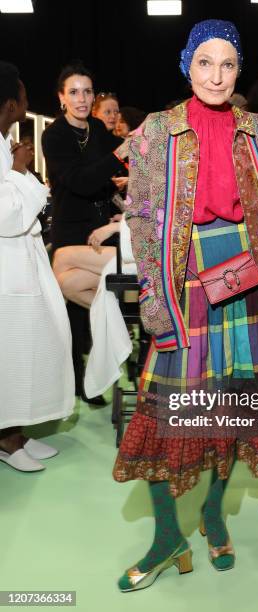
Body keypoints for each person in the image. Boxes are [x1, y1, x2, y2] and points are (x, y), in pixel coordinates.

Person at [112, 19, 258, 592]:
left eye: (227, 64)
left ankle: (214, 513)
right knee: (163, 416)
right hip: (183, 285)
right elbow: (144, 222)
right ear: (186, 65)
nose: (216, 76)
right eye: (205, 63)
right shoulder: (155, 132)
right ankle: (166, 536)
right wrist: (156, 303)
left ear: (239, 69)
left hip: (246, 279)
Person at [0, 62, 75, 472]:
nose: (28, 104)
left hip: (21, 262)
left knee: (27, 348)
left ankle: (16, 432)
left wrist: (17, 171)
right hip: (6, 266)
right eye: (25, 98)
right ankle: (7, 440)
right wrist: (20, 172)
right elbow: (6, 216)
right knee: (12, 352)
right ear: (11, 104)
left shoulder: (2, 142)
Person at [42, 62, 124, 404]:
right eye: (73, 92)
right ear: (61, 97)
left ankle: (108, 358)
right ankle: (78, 381)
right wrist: (116, 158)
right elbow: (80, 181)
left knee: (101, 297)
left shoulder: (98, 130)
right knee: (72, 315)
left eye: (87, 91)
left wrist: (118, 185)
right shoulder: (54, 135)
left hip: (101, 230)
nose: (81, 98)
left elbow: (102, 177)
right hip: (69, 230)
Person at [52, 217, 121, 307]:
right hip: (133, 245)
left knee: (62, 256)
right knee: (66, 284)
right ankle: (116, 314)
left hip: (141, 256)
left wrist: (115, 227)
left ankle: (54, 311)